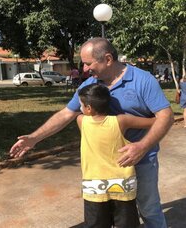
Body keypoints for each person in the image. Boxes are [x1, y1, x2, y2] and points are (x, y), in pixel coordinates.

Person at [10, 37, 174, 228]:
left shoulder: (142, 80)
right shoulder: (90, 86)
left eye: (88, 63)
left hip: (141, 160)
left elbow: (166, 116)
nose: (85, 69)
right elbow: (66, 114)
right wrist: (34, 138)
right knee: (114, 216)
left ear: (108, 59)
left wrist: (142, 147)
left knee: (148, 208)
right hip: (104, 168)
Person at [78, 83, 157, 227]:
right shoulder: (122, 121)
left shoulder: (81, 121)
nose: (80, 108)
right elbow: (154, 122)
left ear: (88, 108)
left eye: (81, 105)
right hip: (123, 183)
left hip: (94, 185)